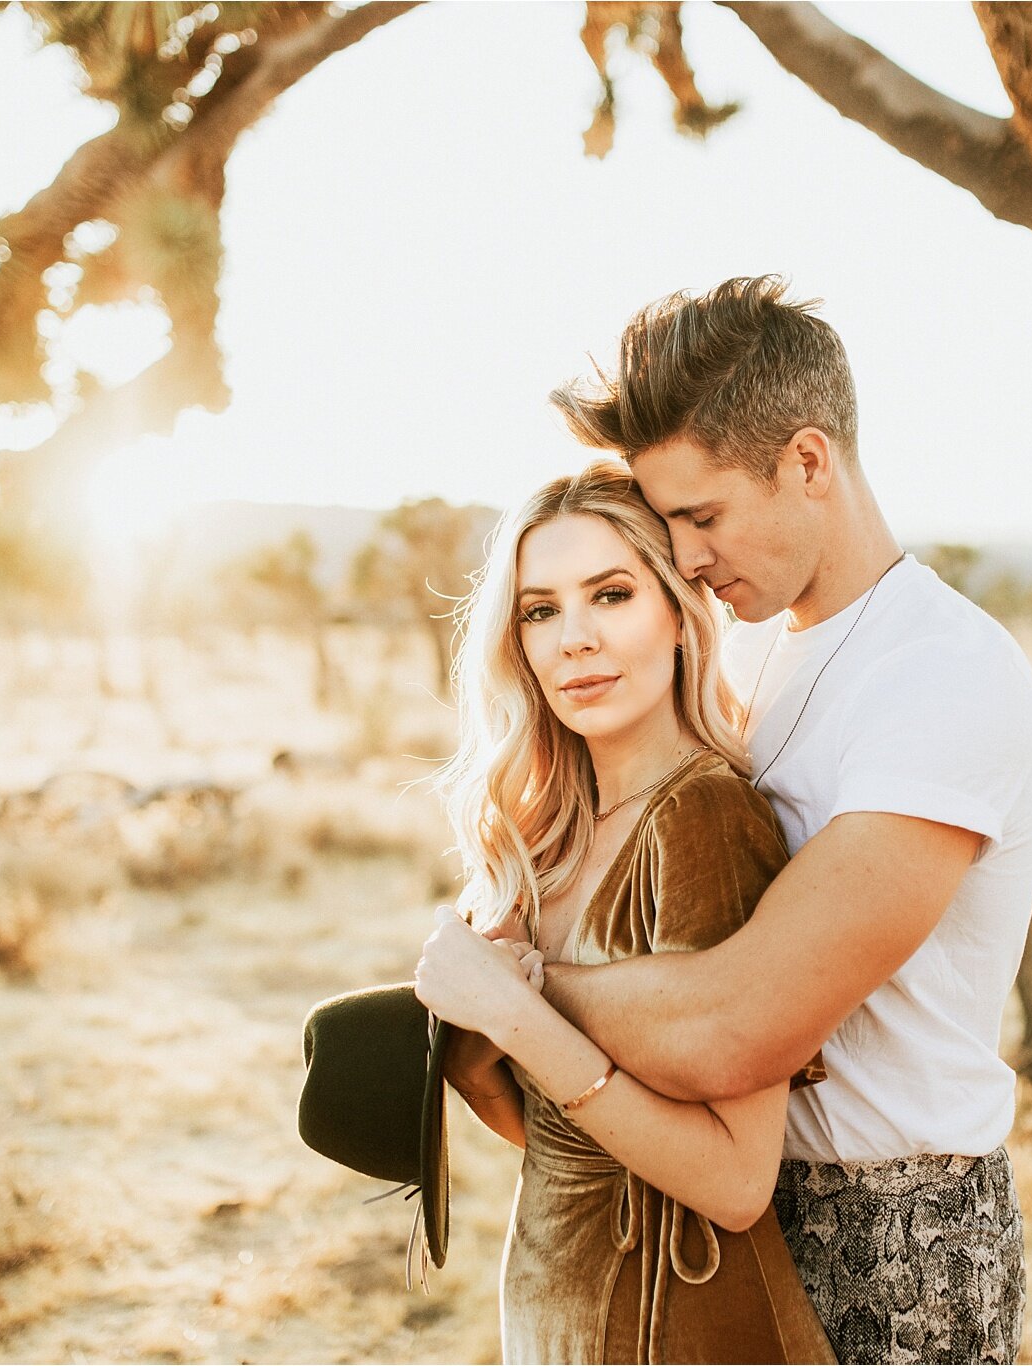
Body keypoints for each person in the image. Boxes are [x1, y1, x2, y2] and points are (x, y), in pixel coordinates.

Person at [533, 276, 1032, 1365]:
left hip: (895, 1239)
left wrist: (517, 996)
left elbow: (743, 1022)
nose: (682, 558)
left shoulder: (941, 677)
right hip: (728, 1201)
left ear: (807, 461)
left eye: (702, 516)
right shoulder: (759, 652)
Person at [412, 462, 835, 1365]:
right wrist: (480, 1051)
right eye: (540, 610)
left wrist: (518, 1013)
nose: (575, 638)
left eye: (610, 594)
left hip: (667, 1326)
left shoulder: (705, 819)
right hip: (553, 1308)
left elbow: (734, 1181)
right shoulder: (546, 840)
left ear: (681, 616)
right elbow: (564, 1142)